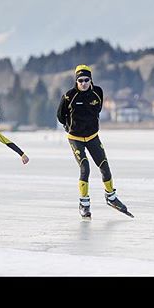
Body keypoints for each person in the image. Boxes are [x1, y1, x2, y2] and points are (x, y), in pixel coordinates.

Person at [57, 65, 132, 219]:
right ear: (76, 81)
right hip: (75, 138)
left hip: (92, 136)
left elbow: (97, 109)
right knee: (85, 167)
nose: (83, 83)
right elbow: (60, 115)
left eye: (86, 80)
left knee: (104, 165)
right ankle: (84, 203)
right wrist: (68, 126)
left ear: (91, 80)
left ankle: (111, 198)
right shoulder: (69, 96)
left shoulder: (97, 92)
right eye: (80, 80)